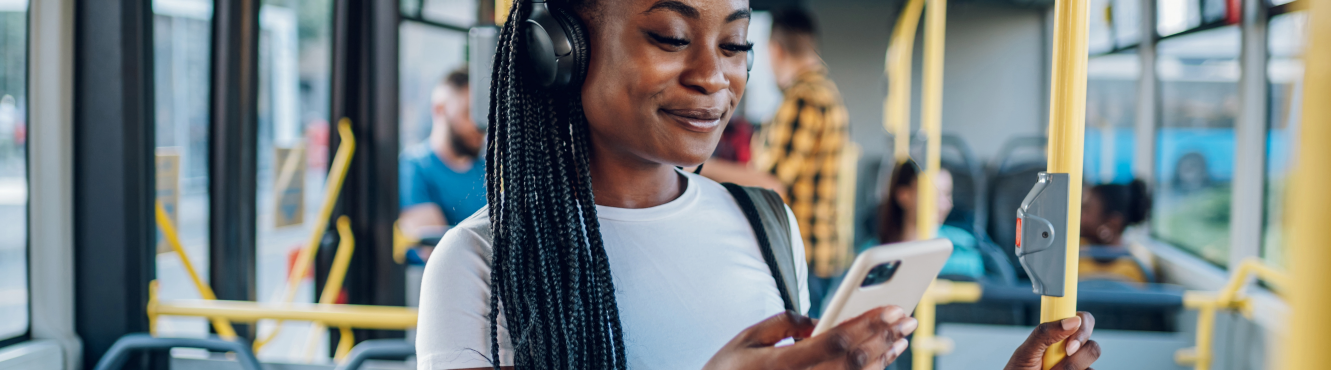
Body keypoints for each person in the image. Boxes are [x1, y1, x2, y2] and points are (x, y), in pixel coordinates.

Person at [416, 1, 1101, 369]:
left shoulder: (765, 222)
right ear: (558, 50)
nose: (714, 75)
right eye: (670, 36)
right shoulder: (477, 265)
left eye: (736, 43)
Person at [756, 6, 853, 314]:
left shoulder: (802, 99)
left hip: (802, 252)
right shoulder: (828, 93)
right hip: (824, 252)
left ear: (776, 50)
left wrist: (699, 168)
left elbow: (770, 183)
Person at [398, 66, 487, 260]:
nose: (479, 126)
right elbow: (437, 252)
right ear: (440, 109)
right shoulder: (413, 168)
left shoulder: (488, 171)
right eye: (468, 114)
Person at [874, 161, 984, 279]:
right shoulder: (874, 255)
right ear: (903, 196)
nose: (944, 205)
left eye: (947, 194)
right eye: (933, 193)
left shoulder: (966, 248)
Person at [1078, 180, 1155, 283]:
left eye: (1086, 210)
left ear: (1112, 223)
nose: (1079, 216)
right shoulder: (1074, 250)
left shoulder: (1136, 268)